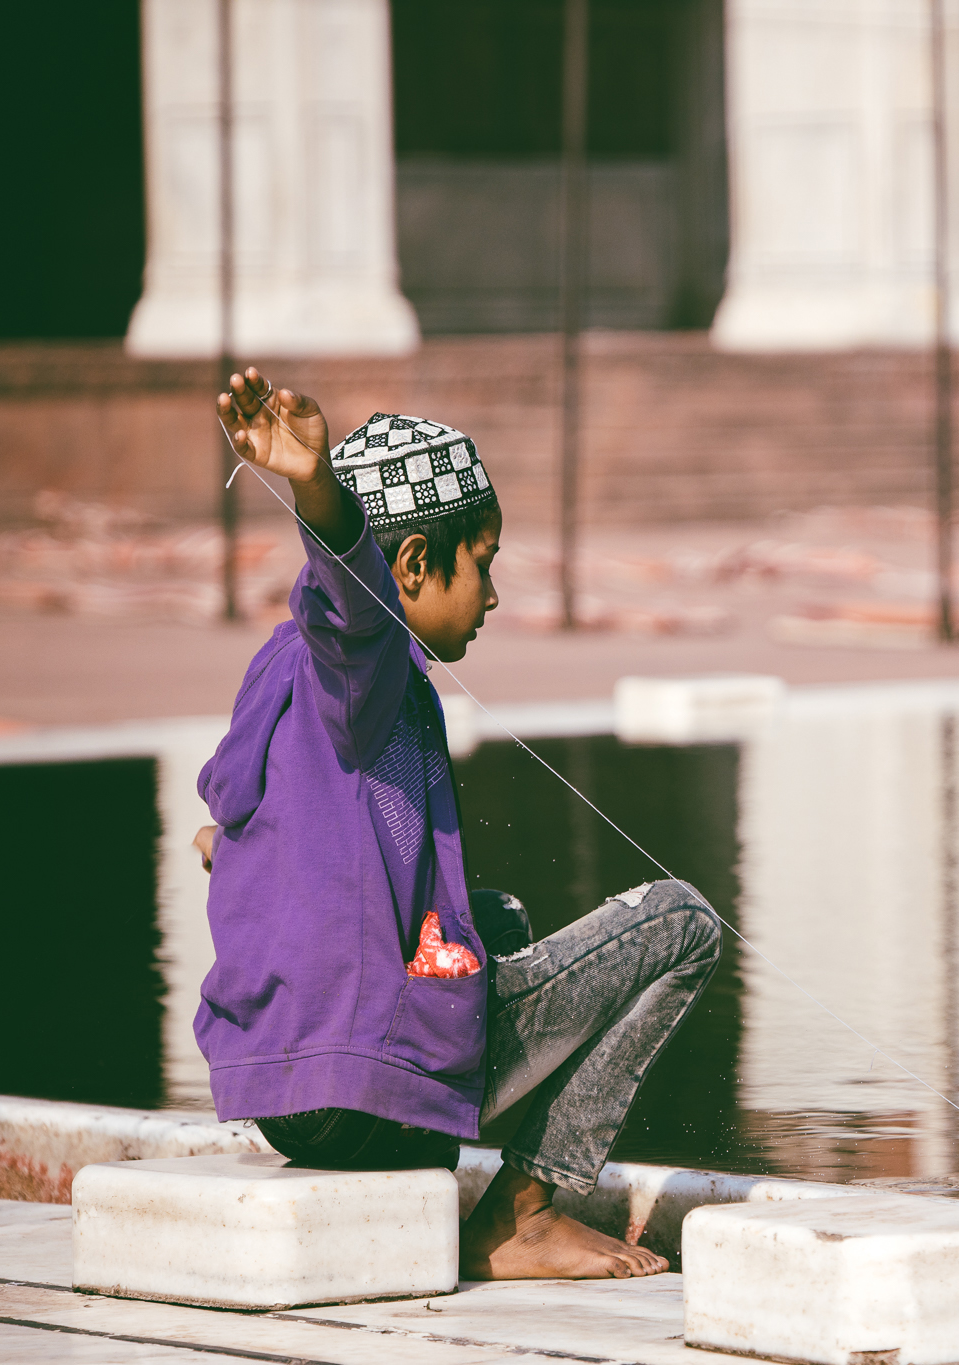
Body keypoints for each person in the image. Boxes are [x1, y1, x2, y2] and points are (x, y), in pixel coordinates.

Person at [195, 367, 722, 1281]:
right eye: (482, 562)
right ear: (410, 566)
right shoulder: (359, 667)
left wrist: (234, 850)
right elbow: (350, 601)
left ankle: (477, 1169)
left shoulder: (279, 667)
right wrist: (317, 485)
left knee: (498, 918)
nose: (493, 594)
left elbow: (231, 822)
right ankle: (523, 1212)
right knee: (682, 922)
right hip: (364, 1094)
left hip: (291, 1103)